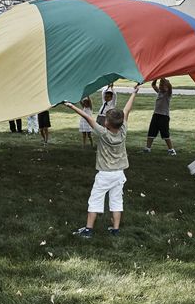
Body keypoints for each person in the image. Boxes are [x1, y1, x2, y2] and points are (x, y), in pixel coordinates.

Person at [66, 85, 140, 238]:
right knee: (116, 200)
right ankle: (115, 229)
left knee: (95, 200)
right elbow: (127, 110)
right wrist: (134, 92)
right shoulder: (123, 131)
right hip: (119, 174)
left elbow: (88, 118)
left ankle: (88, 230)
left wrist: (71, 105)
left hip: (105, 174)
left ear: (106, 123)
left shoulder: (103, 133)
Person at [144, 78, 176, 155]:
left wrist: (163, 78)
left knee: (165, 133)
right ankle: (148, 148)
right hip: (156, 115)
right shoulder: (159, 92)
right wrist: (156, 77)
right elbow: (153, 85)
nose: (161, 86)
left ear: (167, 86)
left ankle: (171, 150)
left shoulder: (168, 94)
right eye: (160, 85)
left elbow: (170, 87)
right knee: (151, 132)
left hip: (164, 117)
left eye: (163, 85)